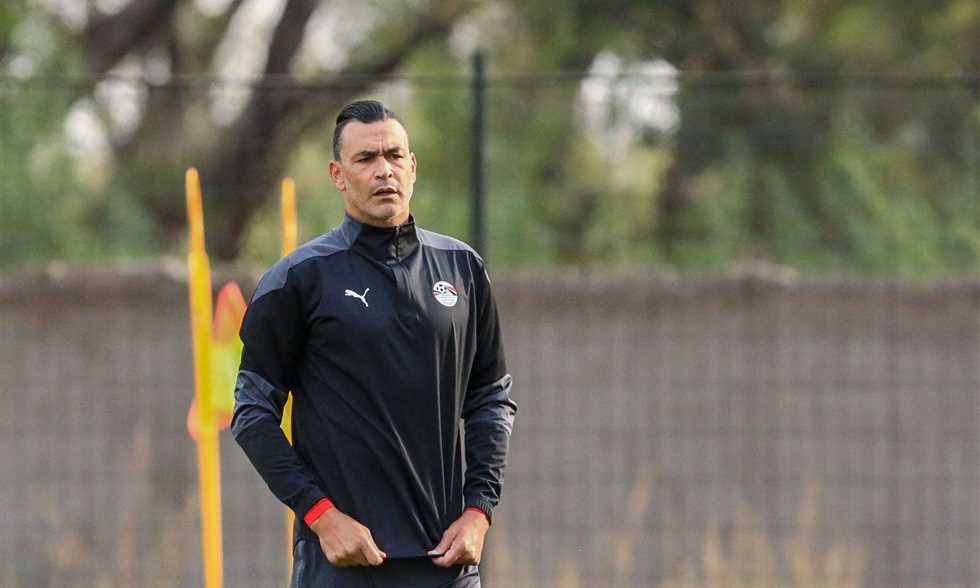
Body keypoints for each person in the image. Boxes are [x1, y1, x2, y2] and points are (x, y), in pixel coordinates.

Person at [231, 99, 517, 587]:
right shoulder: (298, 279)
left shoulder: (463, 269)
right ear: (338, 175)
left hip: (446, 564)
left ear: (413, 166)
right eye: (365, 158)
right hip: (343, 564)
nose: (384, 170)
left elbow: (491, 399)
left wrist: (478, 511)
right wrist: (321, 516)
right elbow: (251, 414)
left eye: (394, 155)